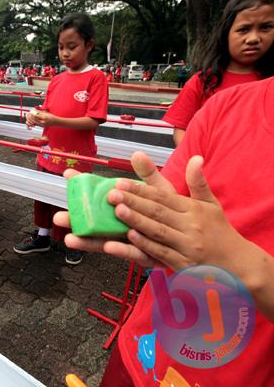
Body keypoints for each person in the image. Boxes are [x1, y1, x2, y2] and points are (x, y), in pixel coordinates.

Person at [55, 75, 274, 386]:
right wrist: (133, 220)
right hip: (147, 345)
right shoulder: (230, 104)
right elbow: (165, 202)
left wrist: (242, 265)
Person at [12, 13, 108, 266]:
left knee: (74, 199)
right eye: (61, 47)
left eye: (72, 47)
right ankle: (43, 236)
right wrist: (35, 116)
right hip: (49, 151)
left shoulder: (96, 79)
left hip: (76, 156)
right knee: (43, 194)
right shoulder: (56, 79)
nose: (65, 53)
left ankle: (74, 240)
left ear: (89, 45)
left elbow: (93, 120)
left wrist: (54, 120)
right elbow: (47, 110)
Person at [164, 0, 274, 146]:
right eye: (244, 29)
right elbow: (181, 128)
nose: (253, 38)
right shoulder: (202, 81)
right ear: (226, 33)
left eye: (265, 27)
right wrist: (194, 161)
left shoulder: (270, 84)